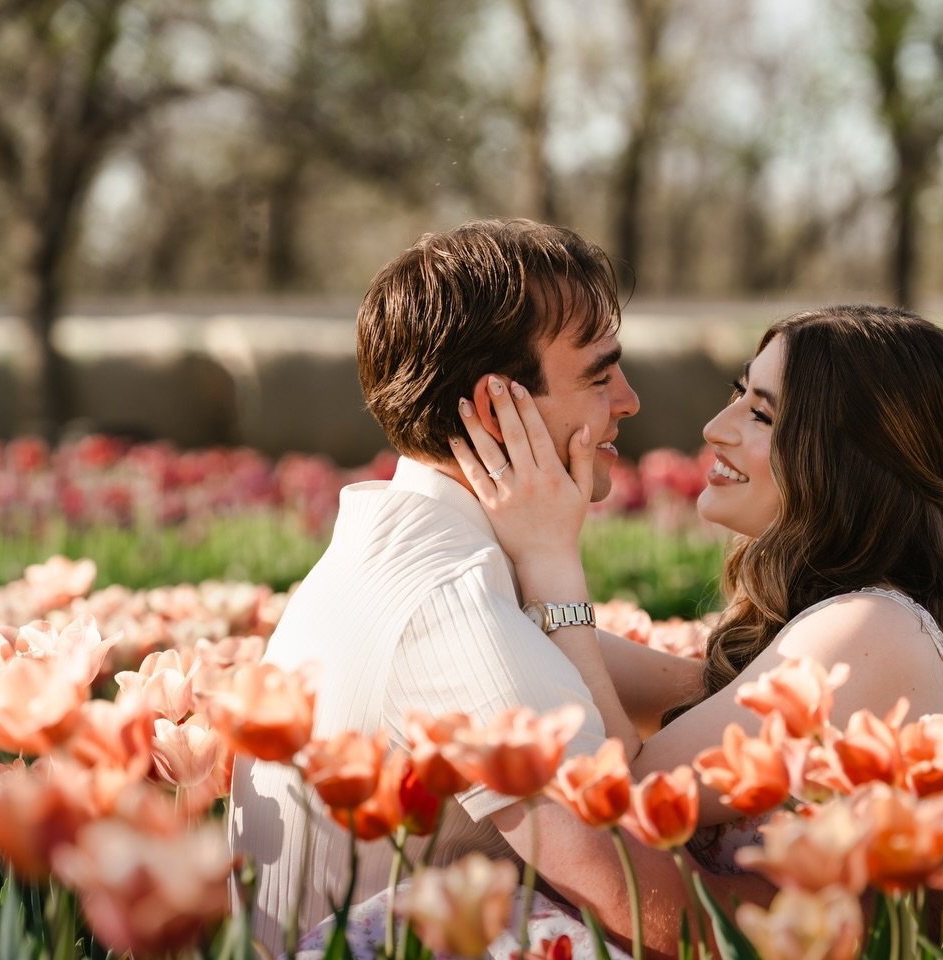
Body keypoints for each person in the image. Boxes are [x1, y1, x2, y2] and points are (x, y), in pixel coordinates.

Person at [317, 303, 943, 956]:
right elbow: (634, 676)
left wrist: (553, 562)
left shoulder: (870, 626)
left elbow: (633, 795)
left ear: (847, 458)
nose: (716, 428)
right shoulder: (847, 623)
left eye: (759, 412)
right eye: (737, 395)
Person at [228, 218, 768, 959]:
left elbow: (691, 694)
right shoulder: (450, 607)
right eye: (599, 374)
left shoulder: (400, 544)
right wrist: (882, 907)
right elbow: (652, 913)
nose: (630, 400)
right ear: (494, 408)